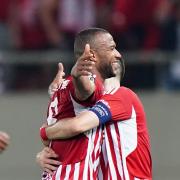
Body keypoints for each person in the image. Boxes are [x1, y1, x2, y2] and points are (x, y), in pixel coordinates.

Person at [40, 29, 152, 179]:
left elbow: (76, 125)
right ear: (93, 56)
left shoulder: (122, 96)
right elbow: (81, 96)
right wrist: (45, 152)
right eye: (112, 48)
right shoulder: (95, 102)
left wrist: (44, 133)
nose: (118, 54)